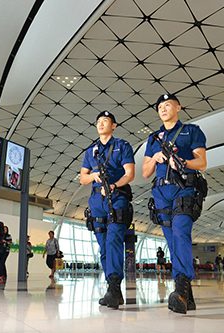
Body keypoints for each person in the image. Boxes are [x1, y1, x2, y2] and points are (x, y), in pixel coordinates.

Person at [142, 93, 207, 314]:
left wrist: (182, 162)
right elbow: (145, 172)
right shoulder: (153, 139)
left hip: (184, 187)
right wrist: (155, 157)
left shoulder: (192, 131)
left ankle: (180, 287)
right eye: (160, 106)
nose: (163, 108)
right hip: (161, 191)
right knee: (171, 241)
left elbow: (202, 162)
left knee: (180, 232)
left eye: (167, 104)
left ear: (178, 107)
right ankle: (187, 294)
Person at [80, 110, 135, 310]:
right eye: (99, 121)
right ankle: (114, 292)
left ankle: (113, 286)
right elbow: (82, 178)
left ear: (114, 126)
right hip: (96, 201)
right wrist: (94, 176)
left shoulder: (123, 146)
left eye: (106, 121)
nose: (101, 124)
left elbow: (130, 174)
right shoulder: (90, 151)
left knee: (113, 239)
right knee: (103, 247)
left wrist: (114, 185)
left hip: (117, 197)